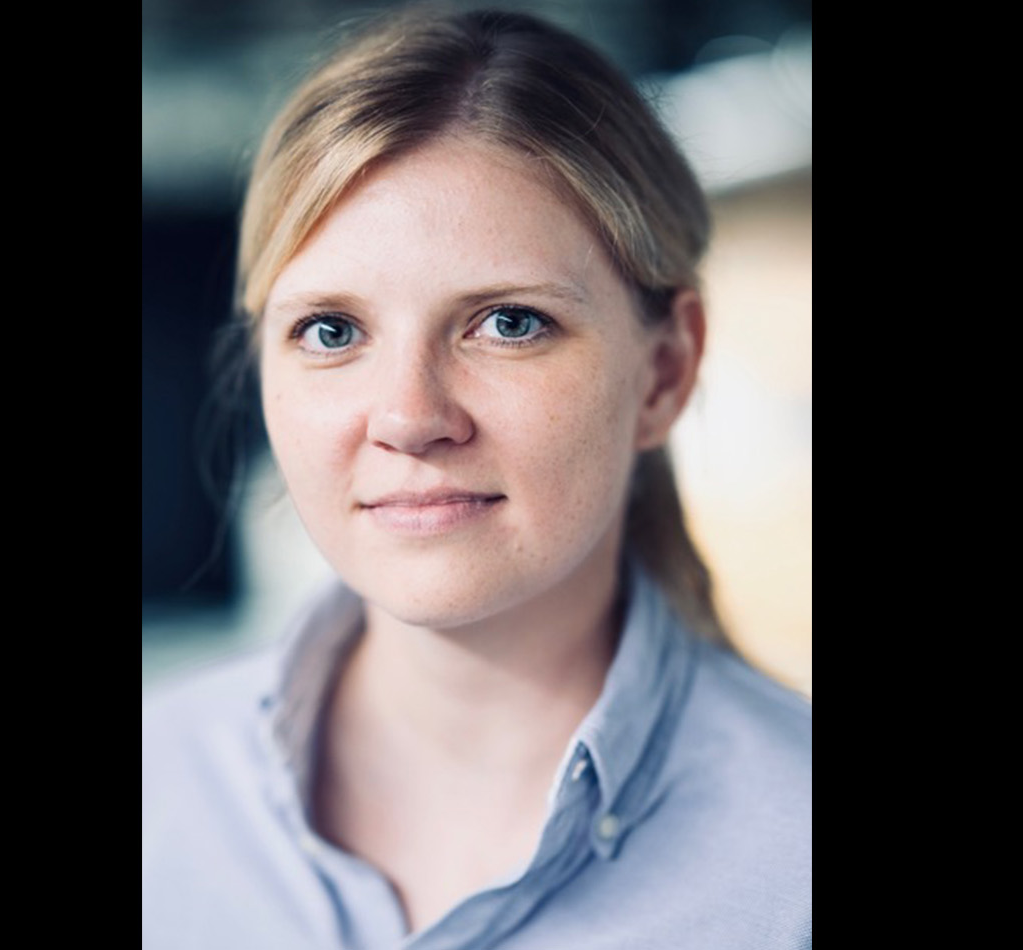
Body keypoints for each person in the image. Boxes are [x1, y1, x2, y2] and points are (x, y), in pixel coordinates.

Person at [142, 7, 811, 948]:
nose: (411, 417)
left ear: (664, 371)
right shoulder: (158, 791)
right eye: (331, 331)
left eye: (507, 323)